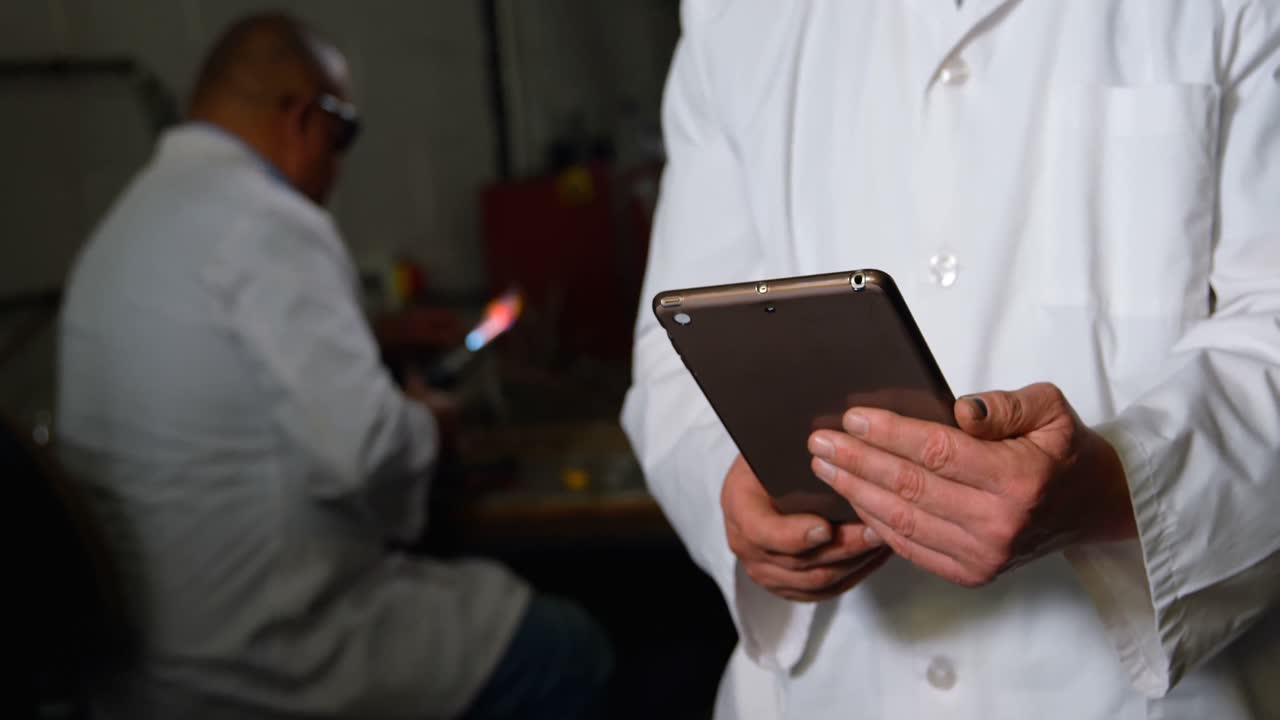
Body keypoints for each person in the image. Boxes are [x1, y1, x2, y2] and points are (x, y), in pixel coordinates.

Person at [623, 2, 1280, 718]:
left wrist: (1117, 489)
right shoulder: (736, 16)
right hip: (828, 689)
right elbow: (674, 341)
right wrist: (738, 490)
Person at [57, 13, 609, 720]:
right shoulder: (269, 220)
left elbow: (230, 372)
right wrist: (428, 422)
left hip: (145, 668)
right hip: (266, 661)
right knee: (567, 648)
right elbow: (367, 453)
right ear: (301, 115)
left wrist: (369, 342)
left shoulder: (125, 228)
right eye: (343, 133)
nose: (339, 164)